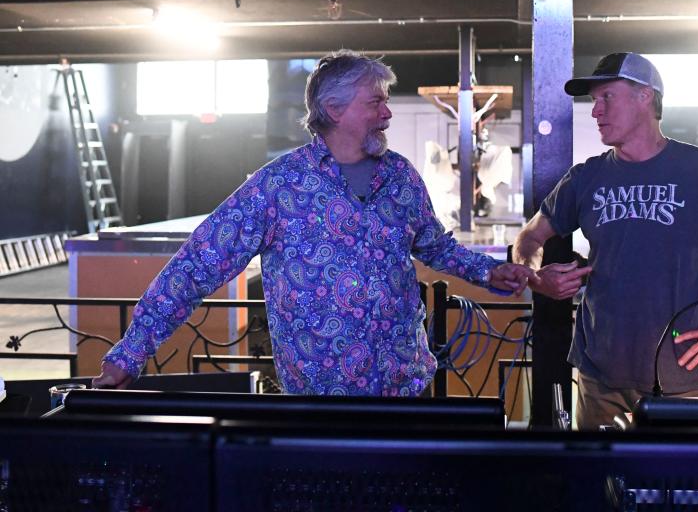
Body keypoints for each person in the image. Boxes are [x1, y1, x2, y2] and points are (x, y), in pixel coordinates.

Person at [93, 50, 534, 396]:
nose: (387, 113)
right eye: (375, 101)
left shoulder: (400, 176)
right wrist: (129, 354)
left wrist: (491, 271)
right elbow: (196, 265)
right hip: (320, 396)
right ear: (334, 109)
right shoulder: (279, 186)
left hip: (402, 386)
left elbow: (434, 246)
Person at [512, 52, 698, 430]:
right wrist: (535, 278)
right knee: (601, 488)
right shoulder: (586, 178)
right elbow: (529, 238)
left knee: (682, 488)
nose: (595, 111)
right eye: (593, 101)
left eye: (606, 97)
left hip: (682, 378)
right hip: (600, 379)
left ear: (645, 96)